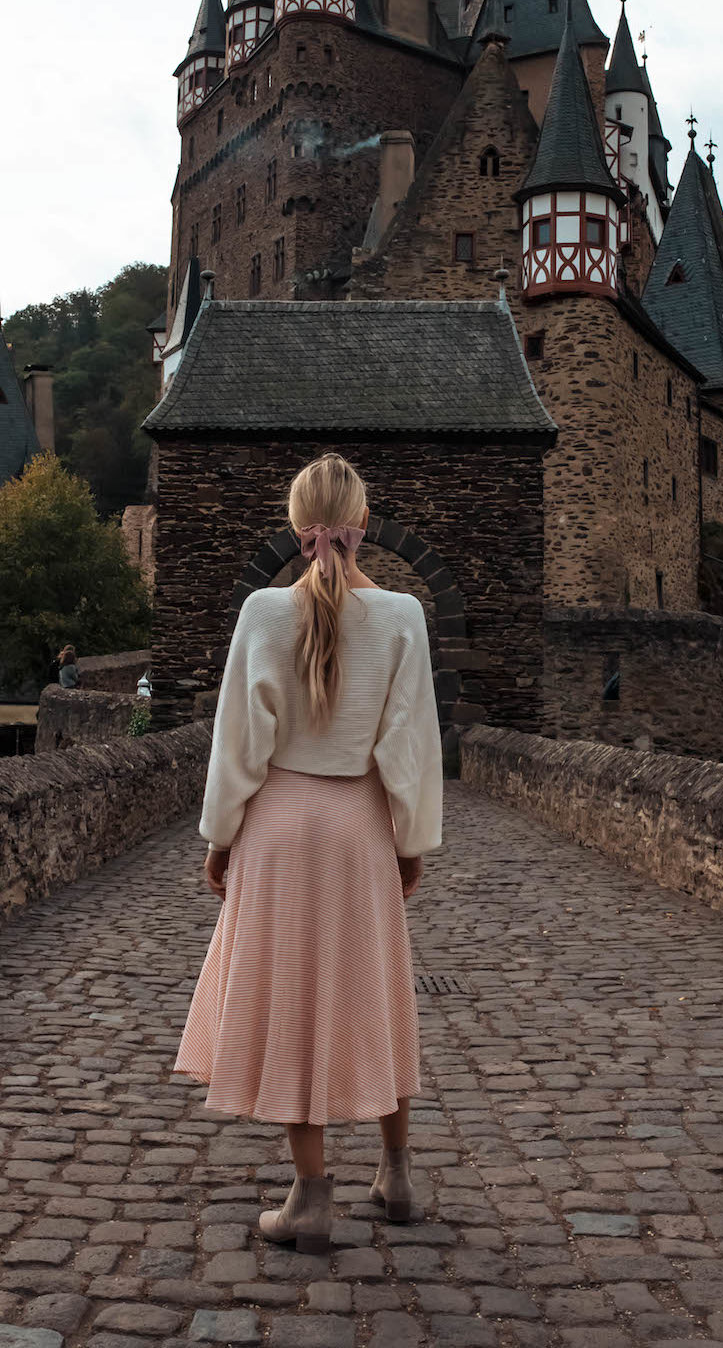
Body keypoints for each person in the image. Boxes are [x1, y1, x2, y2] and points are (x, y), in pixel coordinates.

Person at [171, 452, 443, 1255]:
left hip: (280, 829)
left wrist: (220, 838)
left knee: (294, 999)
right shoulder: (403, 617)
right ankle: (396, 1175)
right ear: (364, 523)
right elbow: (413, 744)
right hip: (359, 826)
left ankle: (309, 1197)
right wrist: (412, 839)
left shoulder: (262, 612)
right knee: (375, 992)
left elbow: (237, 746)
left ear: (298, 527)